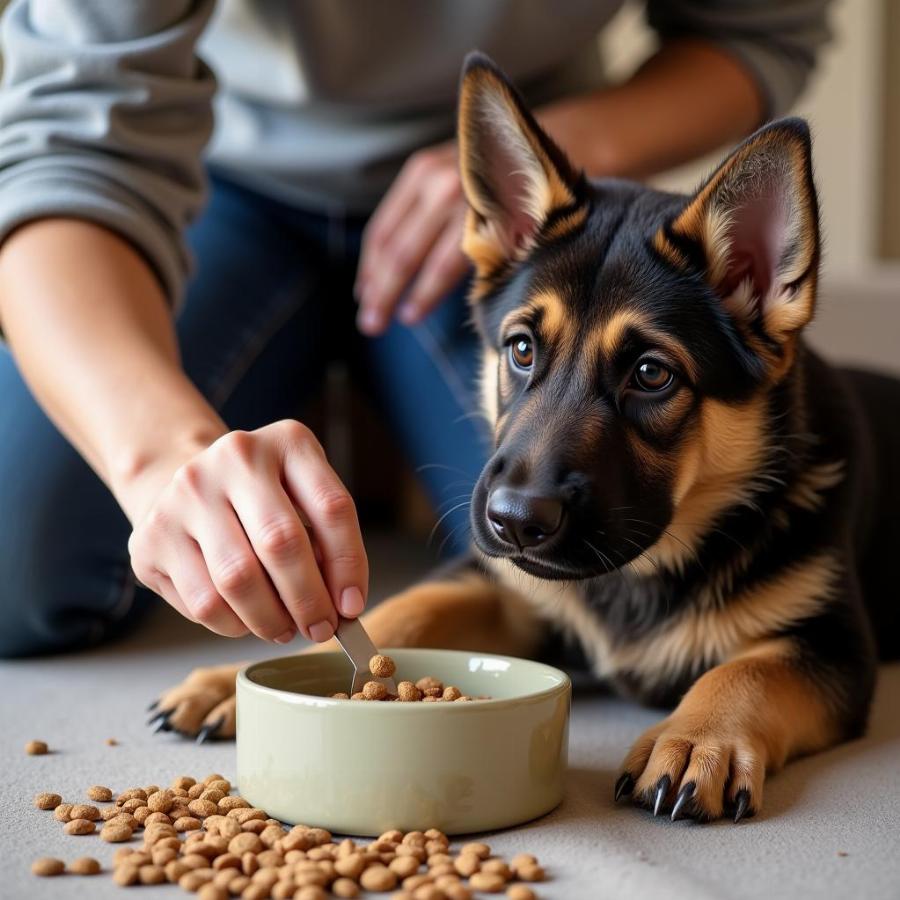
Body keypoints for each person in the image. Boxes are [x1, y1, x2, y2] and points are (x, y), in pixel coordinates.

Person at [0, 1, 831, 657]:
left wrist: (566, 154)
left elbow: (759, 30)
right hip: (217, 183)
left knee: (569, 563)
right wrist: (157, 459)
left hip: (527, 198)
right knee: (14, 571)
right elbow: (70, 134)